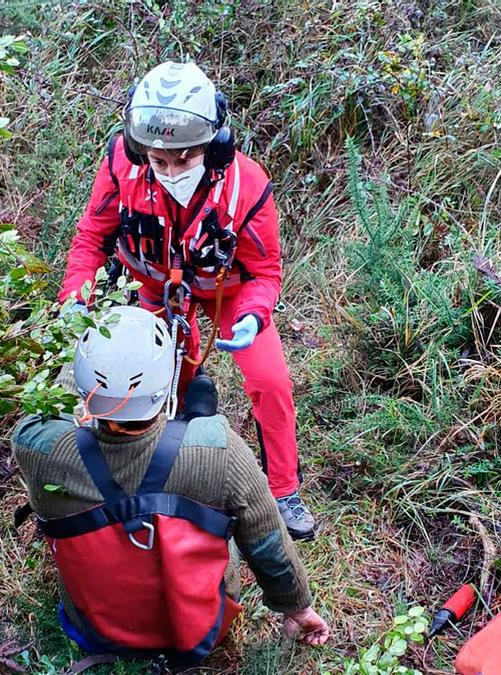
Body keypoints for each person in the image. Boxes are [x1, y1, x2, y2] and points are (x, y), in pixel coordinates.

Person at [58, 60, 316, 539]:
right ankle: (159, 469)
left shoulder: (246, 185)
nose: (172, 169)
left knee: (270, 380)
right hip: (155, 286)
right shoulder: (121, 167)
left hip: (228, 292)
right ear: (141, 151)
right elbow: (91, 239)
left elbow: (265, 271)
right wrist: (77, 296)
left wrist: (256, 317)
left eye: (185, 159)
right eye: (159, 160)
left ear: (213, 148)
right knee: (151, 380)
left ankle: (283, 492)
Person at [11, 306, 329, 666]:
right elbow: (268, 542)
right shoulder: (221, 451)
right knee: (227, 508)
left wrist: (85, 355)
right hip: (200, 631)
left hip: (92, 629)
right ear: (165, 383)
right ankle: (189, 423)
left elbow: (48, 407)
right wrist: (298, 608)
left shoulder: (36, 446)